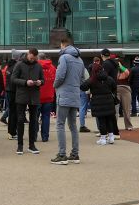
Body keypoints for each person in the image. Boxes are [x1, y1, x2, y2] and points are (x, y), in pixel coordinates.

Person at [51, 33, 85, 165]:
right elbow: (83, 78)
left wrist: (54, 86)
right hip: (75, 94)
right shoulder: (80, 60)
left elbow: (60, 76)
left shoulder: (64, 57)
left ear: (63, 45)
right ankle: (75, 154)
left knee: (60, 124)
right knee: (73, 126)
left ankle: (62, 154)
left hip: (64, 94)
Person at [10, 48, 44, 155]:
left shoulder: (38, 66)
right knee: (20, 120)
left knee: (34, 121)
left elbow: (43, 79)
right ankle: (20, 145)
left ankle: (32, 145)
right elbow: (13, 79)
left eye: (34, 58)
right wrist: (25, 82)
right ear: (28, 54)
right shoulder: (19, 64)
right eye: (31, 57)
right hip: (22, 95)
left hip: (34, 95)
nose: (32, 59)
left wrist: (40, 82)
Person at [85, 60, 119, 146]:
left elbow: (83, 87)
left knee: (101, 121)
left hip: (98, 102)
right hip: (109, 101)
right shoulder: (109, 78)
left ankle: (103, 138)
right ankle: (111, 137)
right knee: (109, 119)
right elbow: (114, 87)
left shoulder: (92, 80)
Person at [38, 52, 56, 142]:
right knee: (46, 117)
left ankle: (33, 136)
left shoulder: (36, 67)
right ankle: (45, 137)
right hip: (49, 96)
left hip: (37, 97)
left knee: (34, 117)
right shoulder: (52, 68)